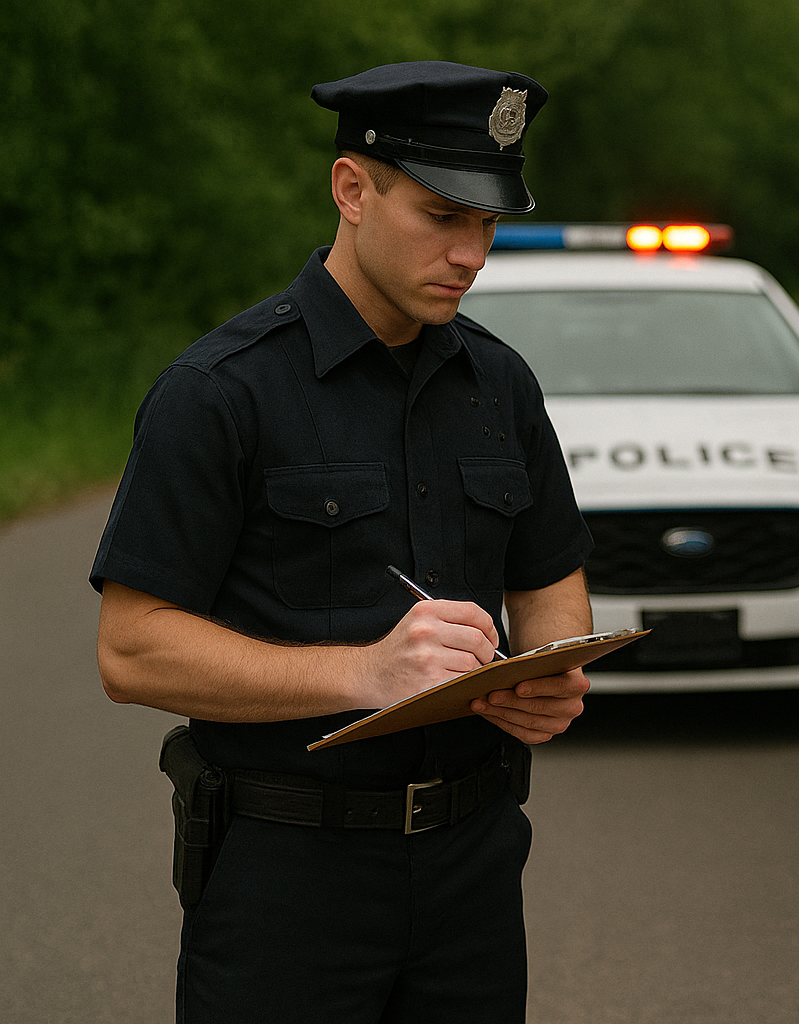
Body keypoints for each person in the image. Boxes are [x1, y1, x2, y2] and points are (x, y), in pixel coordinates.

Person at [91, 61, 594, 1023]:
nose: (472, 254)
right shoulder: (220, 392)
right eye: (443, 217)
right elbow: (130, 648)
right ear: (352, 189)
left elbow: (549, 580)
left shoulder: (502, 384)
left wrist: (549, 672)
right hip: (289, 874)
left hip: (474, 865)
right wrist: (365, 673)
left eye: (487, 225)